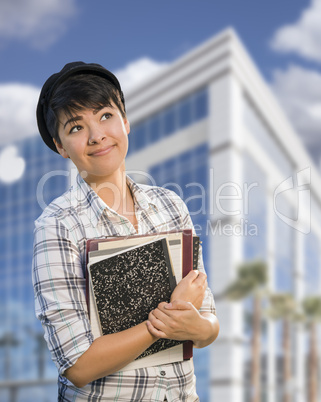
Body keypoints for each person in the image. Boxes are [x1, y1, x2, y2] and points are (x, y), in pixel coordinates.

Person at [33, 61, 219, 401]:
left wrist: (197, 325)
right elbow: (79, 366)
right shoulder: (57, 225)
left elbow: (207, 326)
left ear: (126, 121)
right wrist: (164, 321)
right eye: (76, 127)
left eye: (105, 115)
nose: (97, 135)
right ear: (60, 146)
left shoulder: (171, 206)